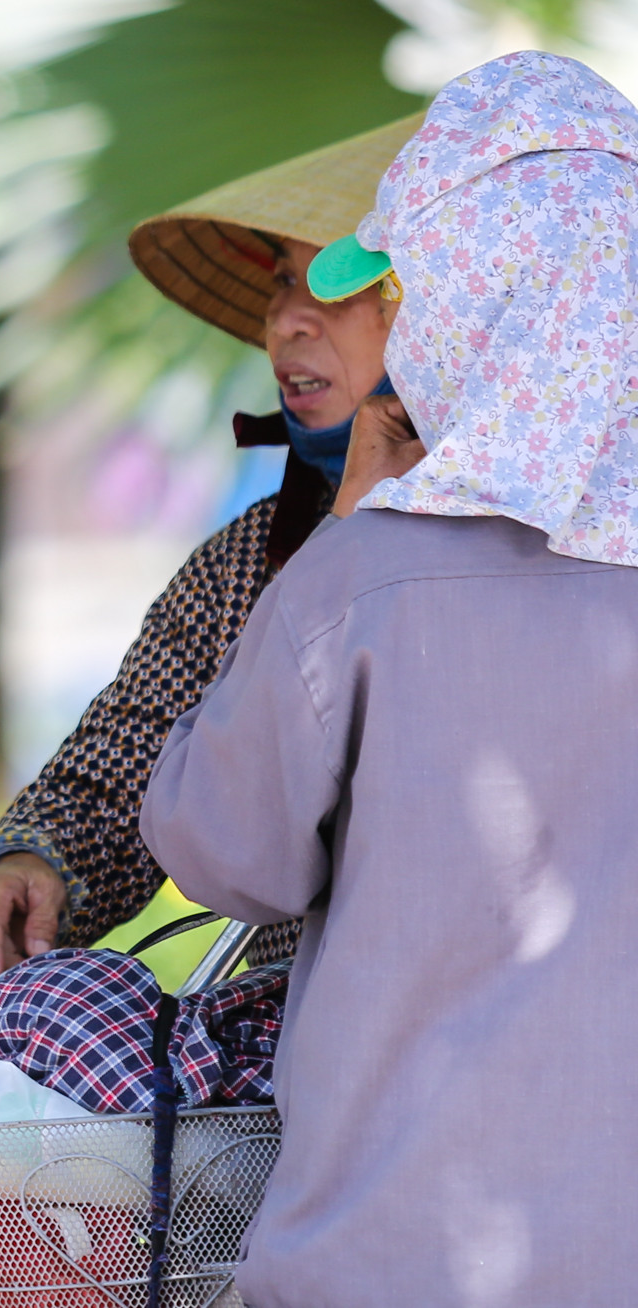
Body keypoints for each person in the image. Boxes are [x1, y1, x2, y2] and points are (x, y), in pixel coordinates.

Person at [143, 51, 638, 1305]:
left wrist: (354, 529)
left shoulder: (358, 582)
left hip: (396, 1257)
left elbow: (226, 854)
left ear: (461, 300)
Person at [0, 112, 425, 977]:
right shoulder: (253, 557)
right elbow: (121, 770)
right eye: (283, 281)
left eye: (334, 282)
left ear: (451, 302)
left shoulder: (589, 535)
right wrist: (37, 857)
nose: (285, 320)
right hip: (315, 1078)